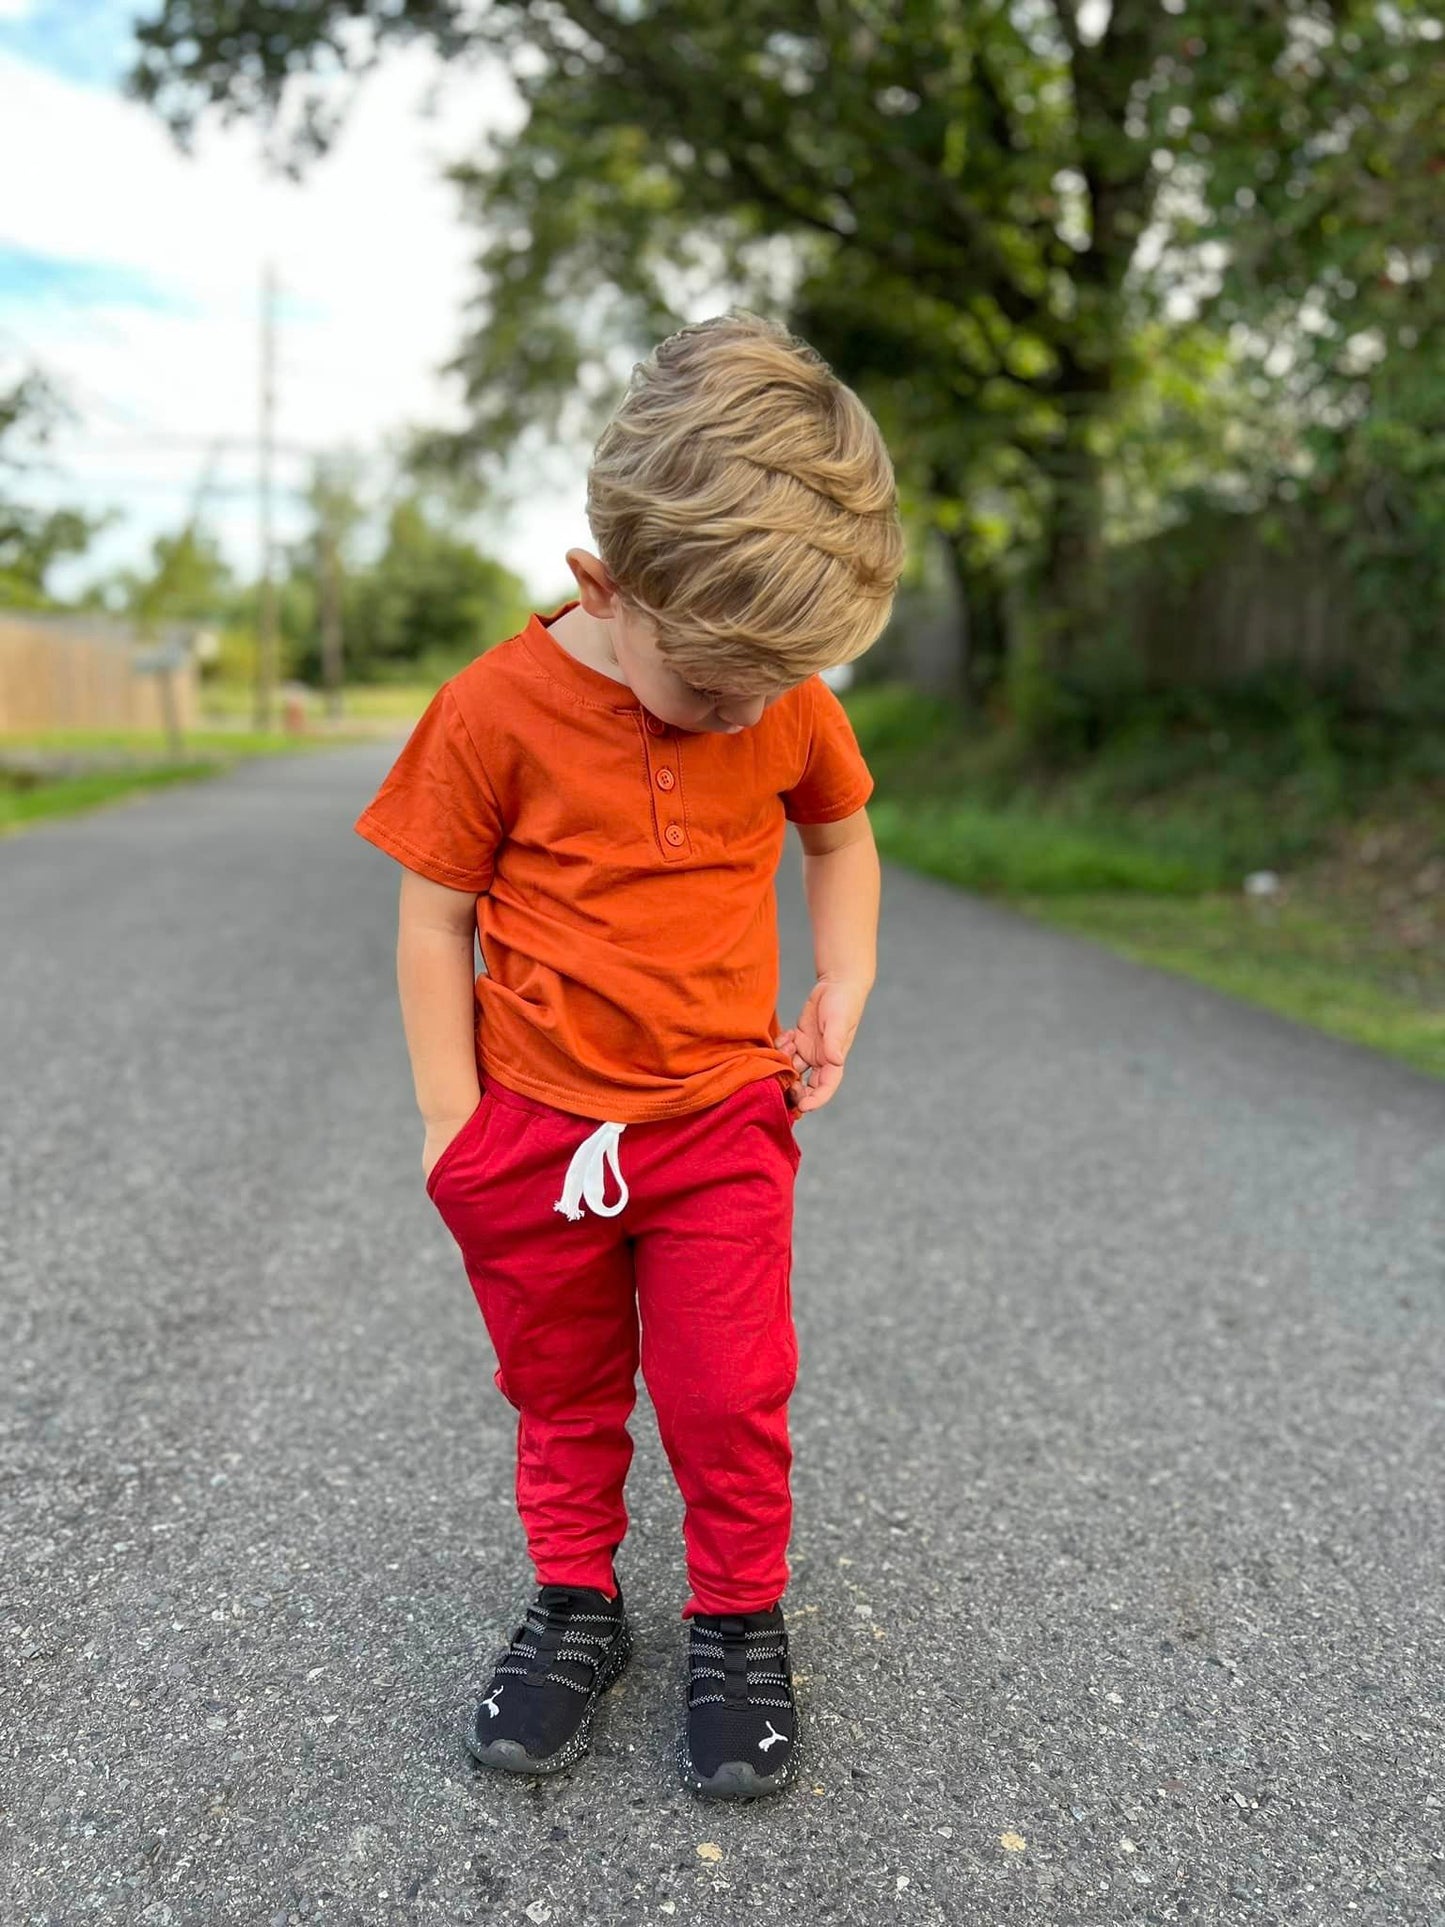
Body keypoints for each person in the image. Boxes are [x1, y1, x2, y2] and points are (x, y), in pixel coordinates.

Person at [354, 311, 903, 1800]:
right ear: (606, 585)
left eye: (767, 687)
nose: (745, 714)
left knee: (730, 1390)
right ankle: (575, 1601)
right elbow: (433, 921)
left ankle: (735, 1617)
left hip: (719, 1119)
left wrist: (841, 978)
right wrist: (448, 1124)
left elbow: (838, 834)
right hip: (531, 1136)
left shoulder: (776, 689)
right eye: (711, 686)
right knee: (565, 1386)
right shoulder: (490, 710)